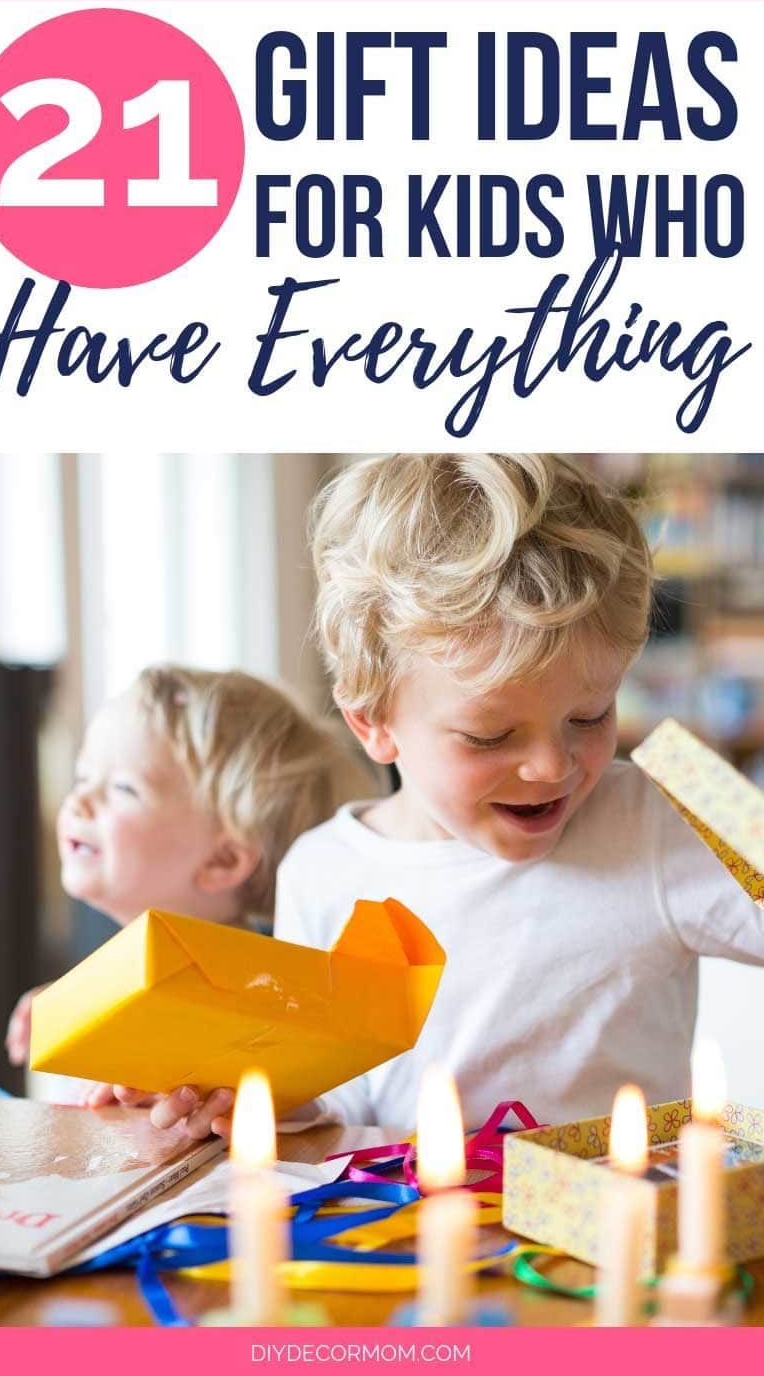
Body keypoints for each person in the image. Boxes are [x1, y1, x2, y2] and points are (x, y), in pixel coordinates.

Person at [274, 453, 764, 1130]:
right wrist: (268, 1100)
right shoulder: (321, 871)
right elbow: (338, 1105)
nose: (551, 766)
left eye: (589, 717)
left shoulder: (648, 821)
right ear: (373, 723)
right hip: (398, 1229)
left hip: (610, 1229)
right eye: (490, 736)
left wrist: (715, 792)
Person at [6, 664, 374, 1137]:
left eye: (123, 789)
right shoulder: (110, 973)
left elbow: (309, 1108)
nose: (78, 803)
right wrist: (66, 1011)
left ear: (222, 859)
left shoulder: (252, 1003)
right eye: (82, 777)